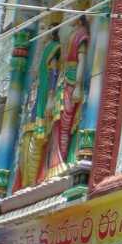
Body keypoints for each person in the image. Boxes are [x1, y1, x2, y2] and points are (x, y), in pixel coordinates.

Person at [14, 23, 61, 189]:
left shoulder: (54, 48)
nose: (42, 32)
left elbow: (54, 72)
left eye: (44, 29)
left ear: (52, 31)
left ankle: (33, 180)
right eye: (41, 29)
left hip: (44, 95)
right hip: (36, 94)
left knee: (37, 134)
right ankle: (27, 181)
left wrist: (51, 97)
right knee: (28, 134)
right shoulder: (43, 50)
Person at [45, 12, 90, 178]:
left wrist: (78, 86)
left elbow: (82, 61)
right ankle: (55, 163)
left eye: (71, 14)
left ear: (79, 17)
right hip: (63, 81)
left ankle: (61, 160)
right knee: (58, 120)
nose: (68, 17)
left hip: (71, 81)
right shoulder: (72, 35)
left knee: (65, 120)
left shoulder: (81, 34)